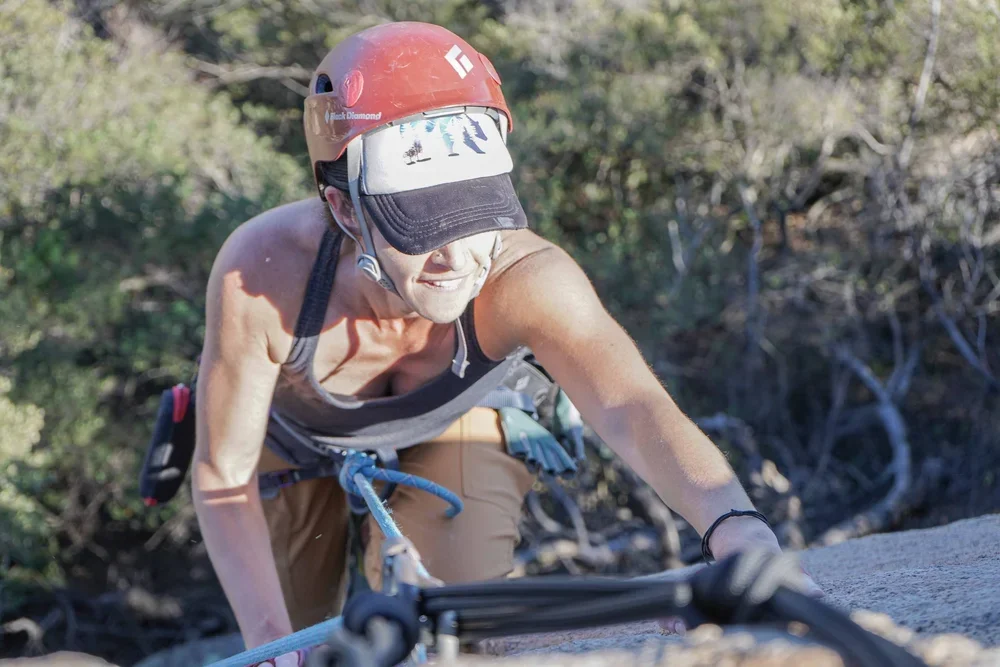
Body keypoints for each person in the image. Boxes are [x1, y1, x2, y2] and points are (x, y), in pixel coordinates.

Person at [190, 21, 823, 667]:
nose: (458, 258)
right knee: (296, 641)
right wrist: (268, 642)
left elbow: (632, 407)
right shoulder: (265, 276)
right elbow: (223, 473)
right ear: (347, 208)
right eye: (423, 225)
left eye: (477, 214)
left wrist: (738, 531)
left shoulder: (525, 279)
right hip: (290, 448)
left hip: (455, 426)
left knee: (454, 624)